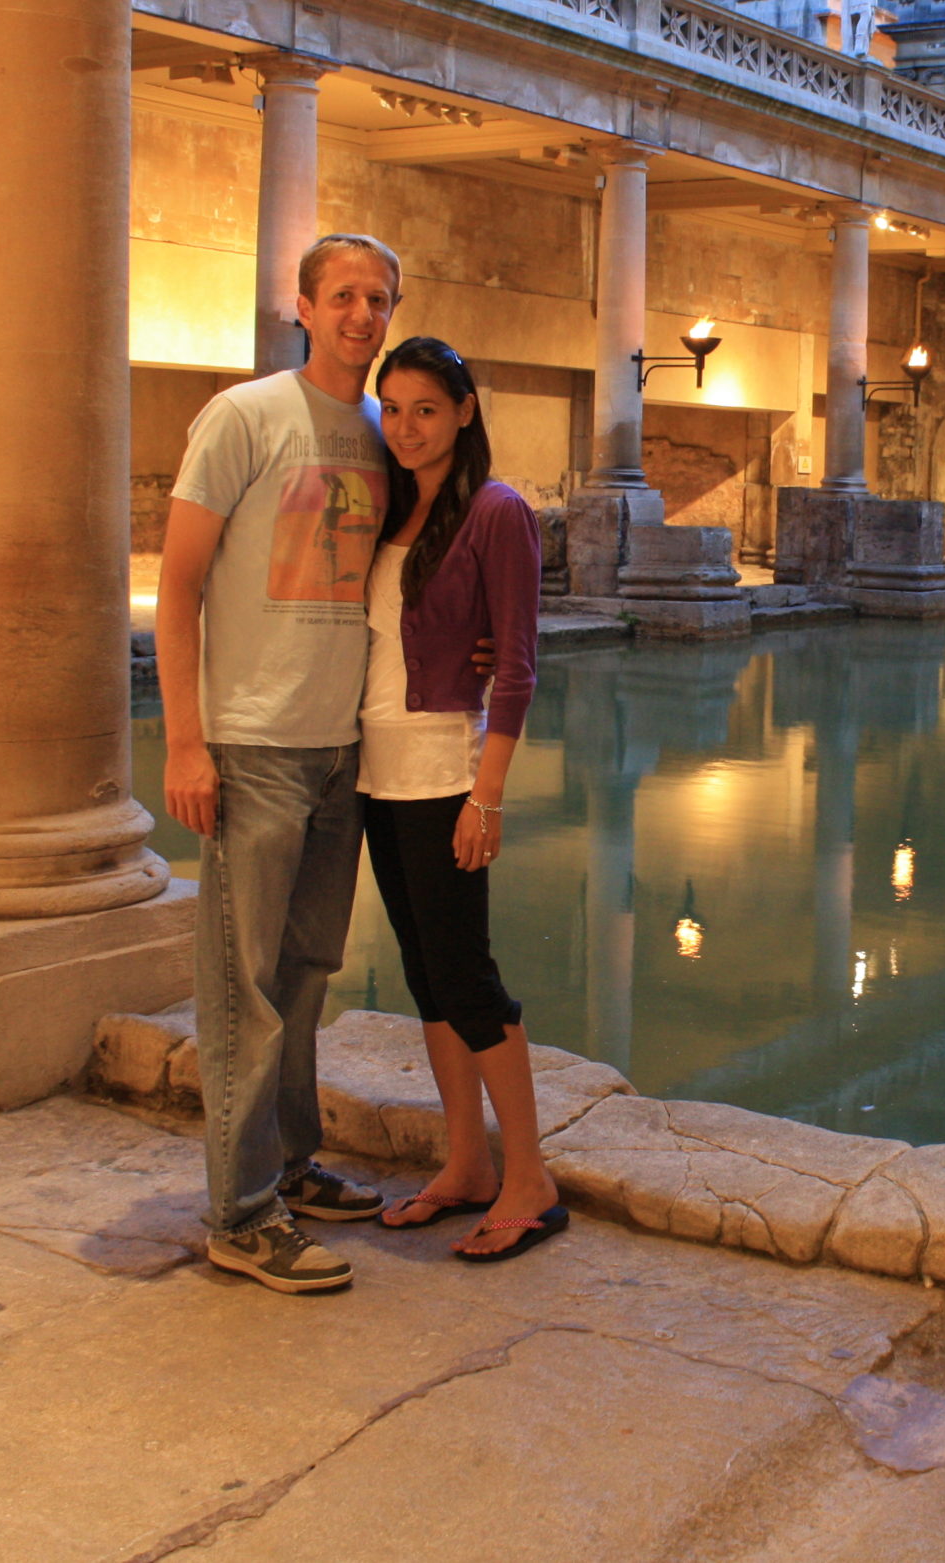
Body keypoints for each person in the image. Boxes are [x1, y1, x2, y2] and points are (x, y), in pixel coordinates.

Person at [157, 232, 400, 1295]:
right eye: (342, 295)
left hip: (338, 744)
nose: (361, 314)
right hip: (252, 744)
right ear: (302, 305)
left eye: (378, 298)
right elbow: (176, 589)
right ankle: (238, 1213)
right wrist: (182, 740)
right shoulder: (246, 416)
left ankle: (290, 1166)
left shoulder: (388, 432)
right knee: (241, 986)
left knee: (304, 975)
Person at [356, 337, 565, 1263]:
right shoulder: (390, 507)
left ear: (465, 411)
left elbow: (516, 666)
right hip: (376, 774)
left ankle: (530, 1180)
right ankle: (465, 1164)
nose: (405, 428)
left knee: (469, 978)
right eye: (391, 409)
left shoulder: (497, 510)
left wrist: (488, 796)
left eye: (426, 410)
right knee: (427, 979)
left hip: (447, 775)